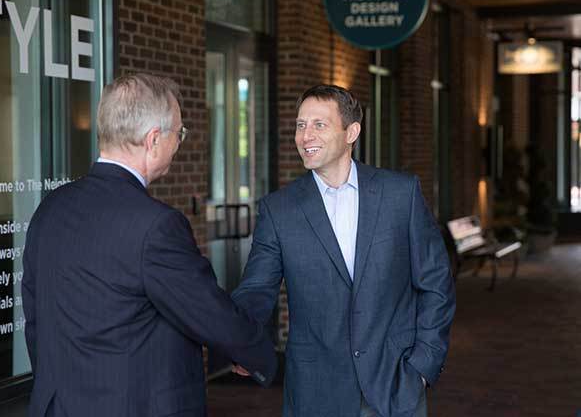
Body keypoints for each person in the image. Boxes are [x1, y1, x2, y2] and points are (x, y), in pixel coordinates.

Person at [22, 73, 277, 417]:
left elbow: (36, 319)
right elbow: (206, 311)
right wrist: (258, 354)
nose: (178, 143)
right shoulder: (157, 225)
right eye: (179, 134)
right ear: (153, 139)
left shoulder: (50, 208)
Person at [231, 84, 456, 417]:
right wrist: (238, 341)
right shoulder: (278, 210)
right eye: (300, 125)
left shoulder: (400, 194)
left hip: (396, 385)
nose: (305, 136)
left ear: (352, 132)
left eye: (319, 124)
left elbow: (436, 283)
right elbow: (255, 291)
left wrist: (423, 365)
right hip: (315, 392)